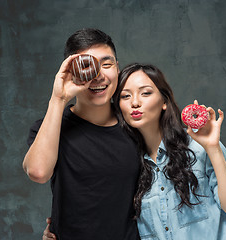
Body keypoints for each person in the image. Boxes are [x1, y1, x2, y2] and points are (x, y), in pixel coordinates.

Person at [44, 63, 226, 239]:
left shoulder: (198, 148)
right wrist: (58, 230)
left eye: (146, 93)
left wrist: (213, 148)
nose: (135, 102)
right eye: (125, 96)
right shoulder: (131, 167)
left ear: (164, 102)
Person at [23, 29, 141, 240]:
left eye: (107, 65)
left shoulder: (136, 125)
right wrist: (58, 98)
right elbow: (38, 172)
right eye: (88, 66)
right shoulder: (51, 127)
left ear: (117, 67)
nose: (98, 76)